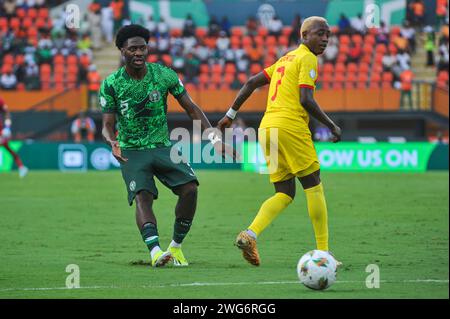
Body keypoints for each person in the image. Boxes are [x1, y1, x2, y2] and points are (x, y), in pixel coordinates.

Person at [100, 25, 236, 268]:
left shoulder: (164, 75)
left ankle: (175, 248)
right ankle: (155, 251)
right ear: (122, 50)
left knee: (190, 189)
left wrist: (215, 138)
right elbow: (107, 123)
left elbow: (192, 108)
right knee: (143, 196)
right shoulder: (111, 84)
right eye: (133, 48)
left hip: (162, 146)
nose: (139, 52)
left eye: (143, 47)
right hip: (132, 150)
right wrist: (113, 142)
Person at [217, 17, 342, 266]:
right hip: (290, 126)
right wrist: (331, 125)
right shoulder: (307, 57)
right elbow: (306, 99)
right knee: (313, 184)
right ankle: (323, 254)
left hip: (267, 129)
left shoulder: (285, 59)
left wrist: (230, 115)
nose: (325, 39)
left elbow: (252, 82)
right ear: (304, 35)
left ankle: (250, 234)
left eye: (328, 34)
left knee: (284, 192)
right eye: (320, 33)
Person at [0, 97, 28, 178]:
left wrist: (7, 127)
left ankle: (21, 167)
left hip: (1, 131)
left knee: (8, 148)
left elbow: (7, 112)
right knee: (9, 149)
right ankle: (22, 167)